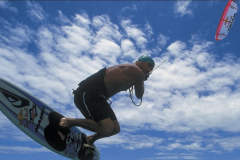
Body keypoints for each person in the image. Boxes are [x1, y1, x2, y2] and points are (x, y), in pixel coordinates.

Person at [59, 55, 155, 155]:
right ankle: (68, 121)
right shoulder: (138, 72)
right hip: (87, 93)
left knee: (115, 129)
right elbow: (139, 95)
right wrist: (142, 80)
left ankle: (90, 139)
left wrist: (140, 80)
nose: (149, 69)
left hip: (99, 99)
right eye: (148, 65)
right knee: (106, 128)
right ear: (139, 62)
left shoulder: (135, 74)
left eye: (151, 68)